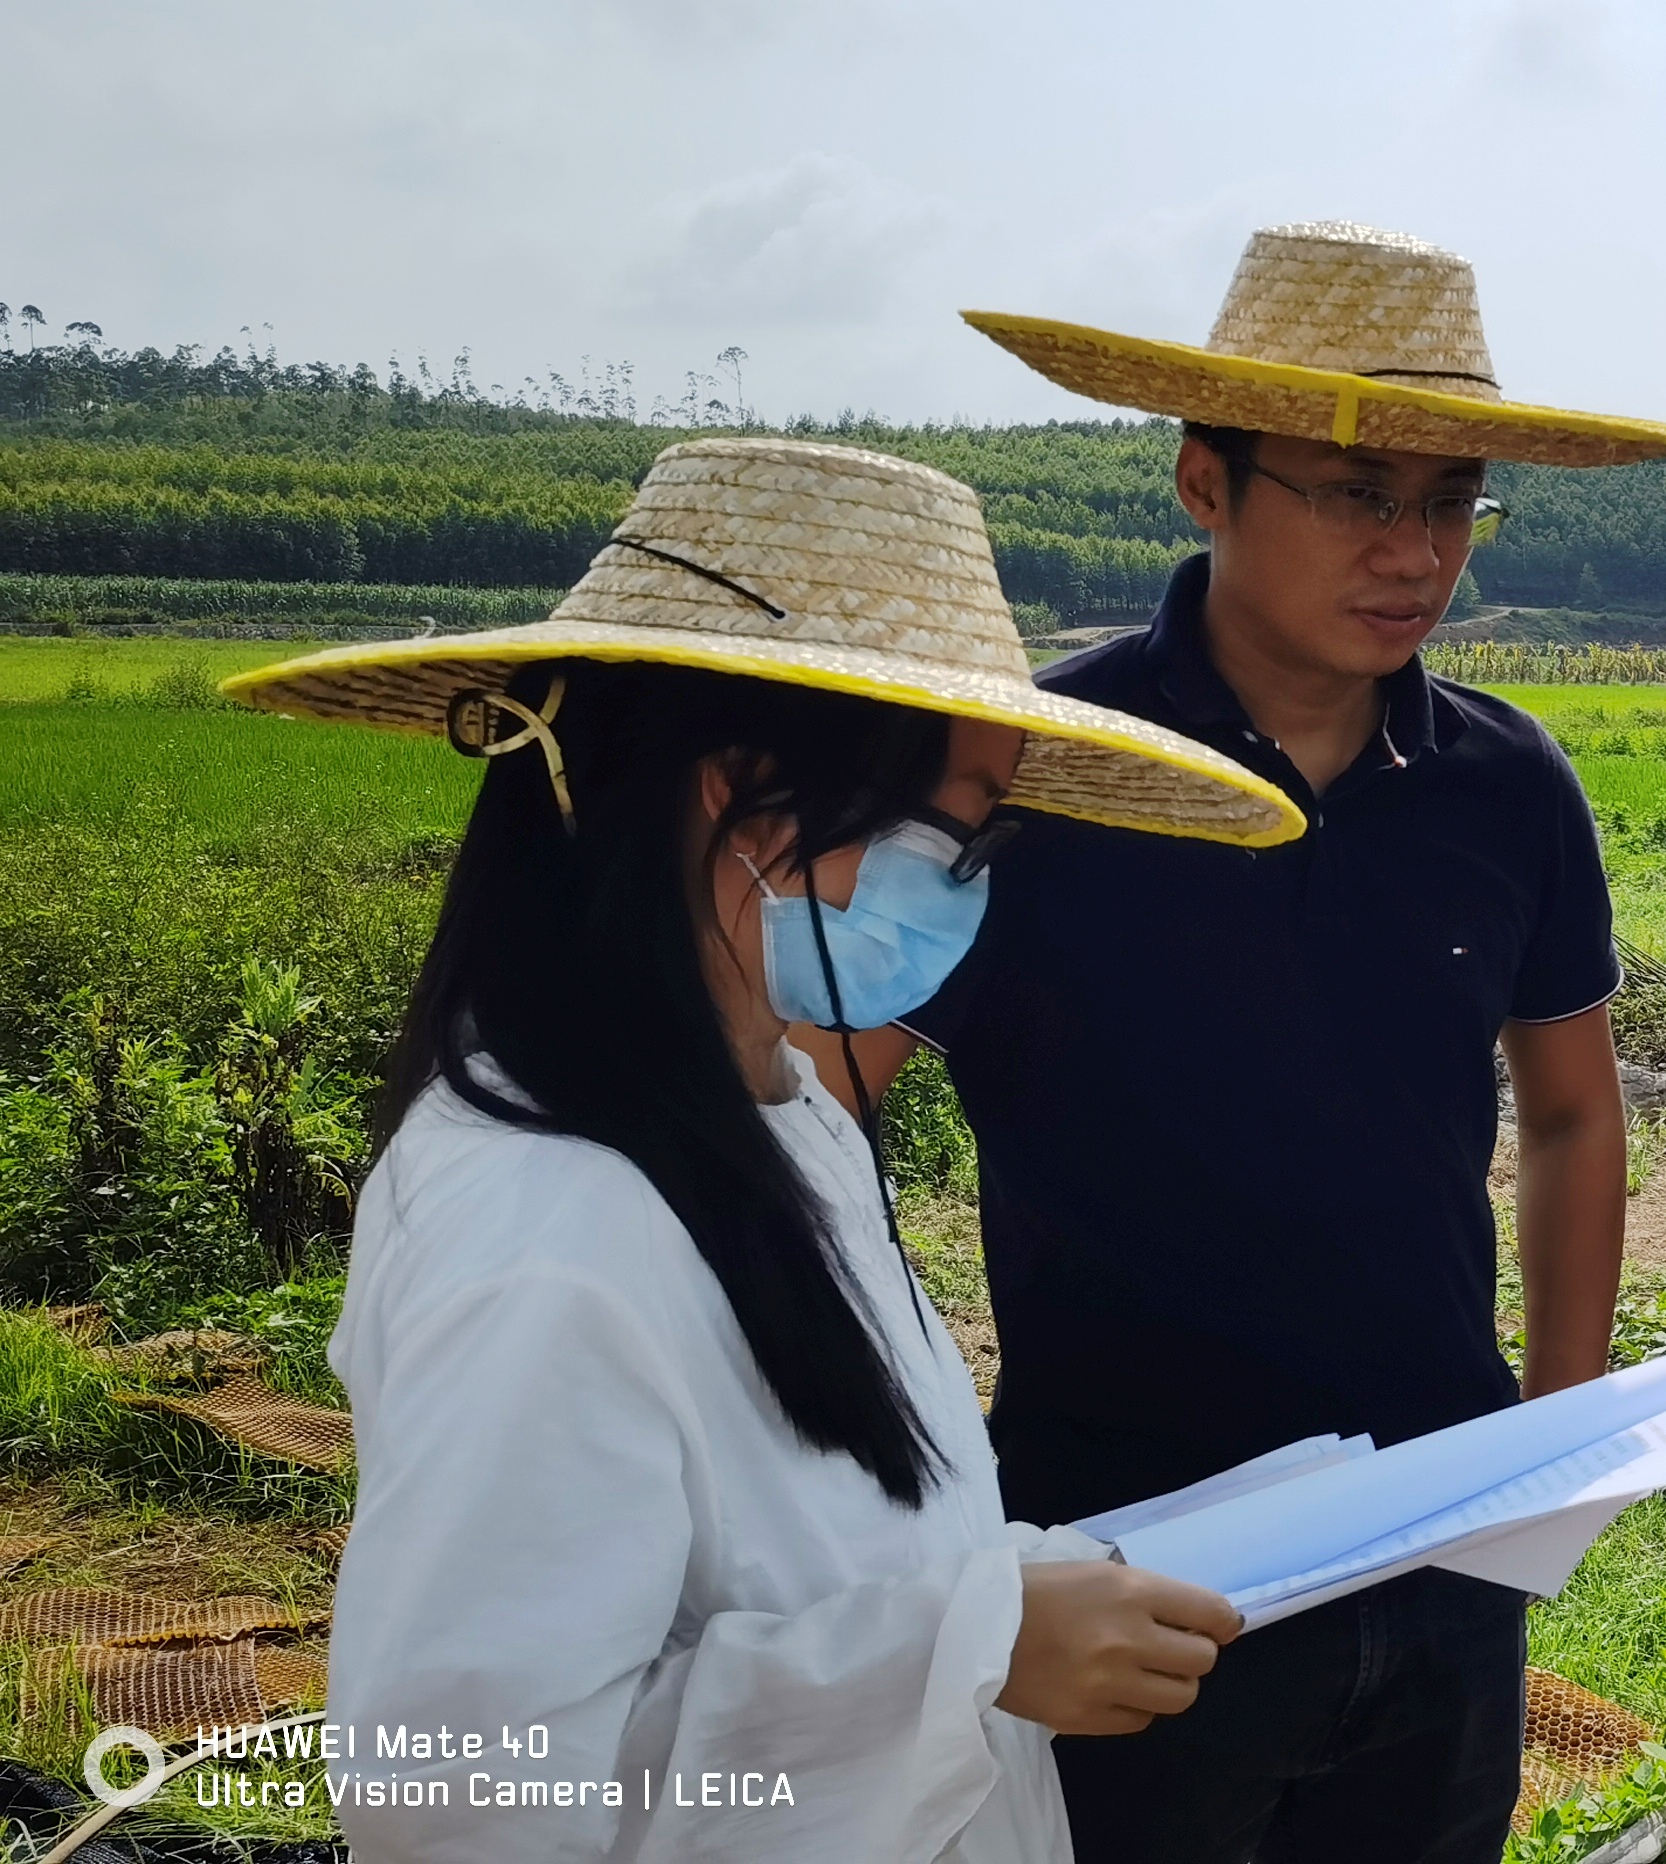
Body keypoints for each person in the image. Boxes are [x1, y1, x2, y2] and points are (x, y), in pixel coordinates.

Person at [241, 439, 1303, 1860]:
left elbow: (834, 1552)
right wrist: (967, 1656)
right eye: (960, 836)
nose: (966, 889)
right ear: (746, 798)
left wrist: (1008, 1600)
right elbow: (468, 1795)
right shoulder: (546, 1234)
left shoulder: (780, 1117)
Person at [864, 222, 1666, 1862]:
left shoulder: (1506, 786)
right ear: (1206, 481)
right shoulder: (1041, 771)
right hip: (1126, 1551)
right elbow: (829, 1110)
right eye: (1357, 494)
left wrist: (1553, 1433)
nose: (1415, 551)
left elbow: (1568, 1110)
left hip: (1440, 1527)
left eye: (1452, 501)